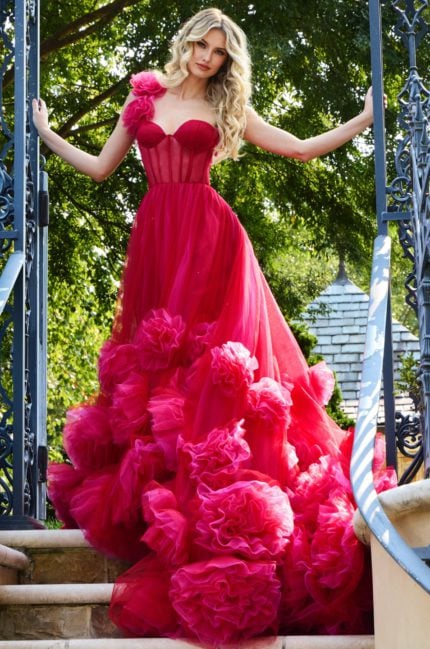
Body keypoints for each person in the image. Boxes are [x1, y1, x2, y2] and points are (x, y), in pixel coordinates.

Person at [32, 7, 395, 646]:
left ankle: (220, 490)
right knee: (153, 367)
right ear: (187, 43)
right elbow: (98, 168)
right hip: (155, 240)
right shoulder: (144, 98)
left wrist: (367, 118)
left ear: (228, 62)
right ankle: (156, 492)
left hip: (210, 240)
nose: (207, 57)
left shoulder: (227, 110)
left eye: (220, 52)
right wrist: (44, 132)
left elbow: (301, 148)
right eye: (202, 44)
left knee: (210, 368)